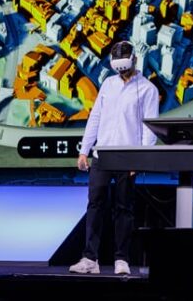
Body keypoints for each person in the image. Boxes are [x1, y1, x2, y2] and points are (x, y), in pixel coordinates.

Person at [69, 40, 159, 275]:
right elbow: (95, 118)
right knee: (95, 205)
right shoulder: (107, 85)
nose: (121, 71)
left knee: (124, 208)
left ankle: (122, 259)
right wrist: (84, 150)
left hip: (128, 156)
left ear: (134, 60)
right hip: (102, 154)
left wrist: (140, 160)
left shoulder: (148, 89)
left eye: (124, 66)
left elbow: (150, 129)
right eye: (117, 67)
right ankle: (90, 259)